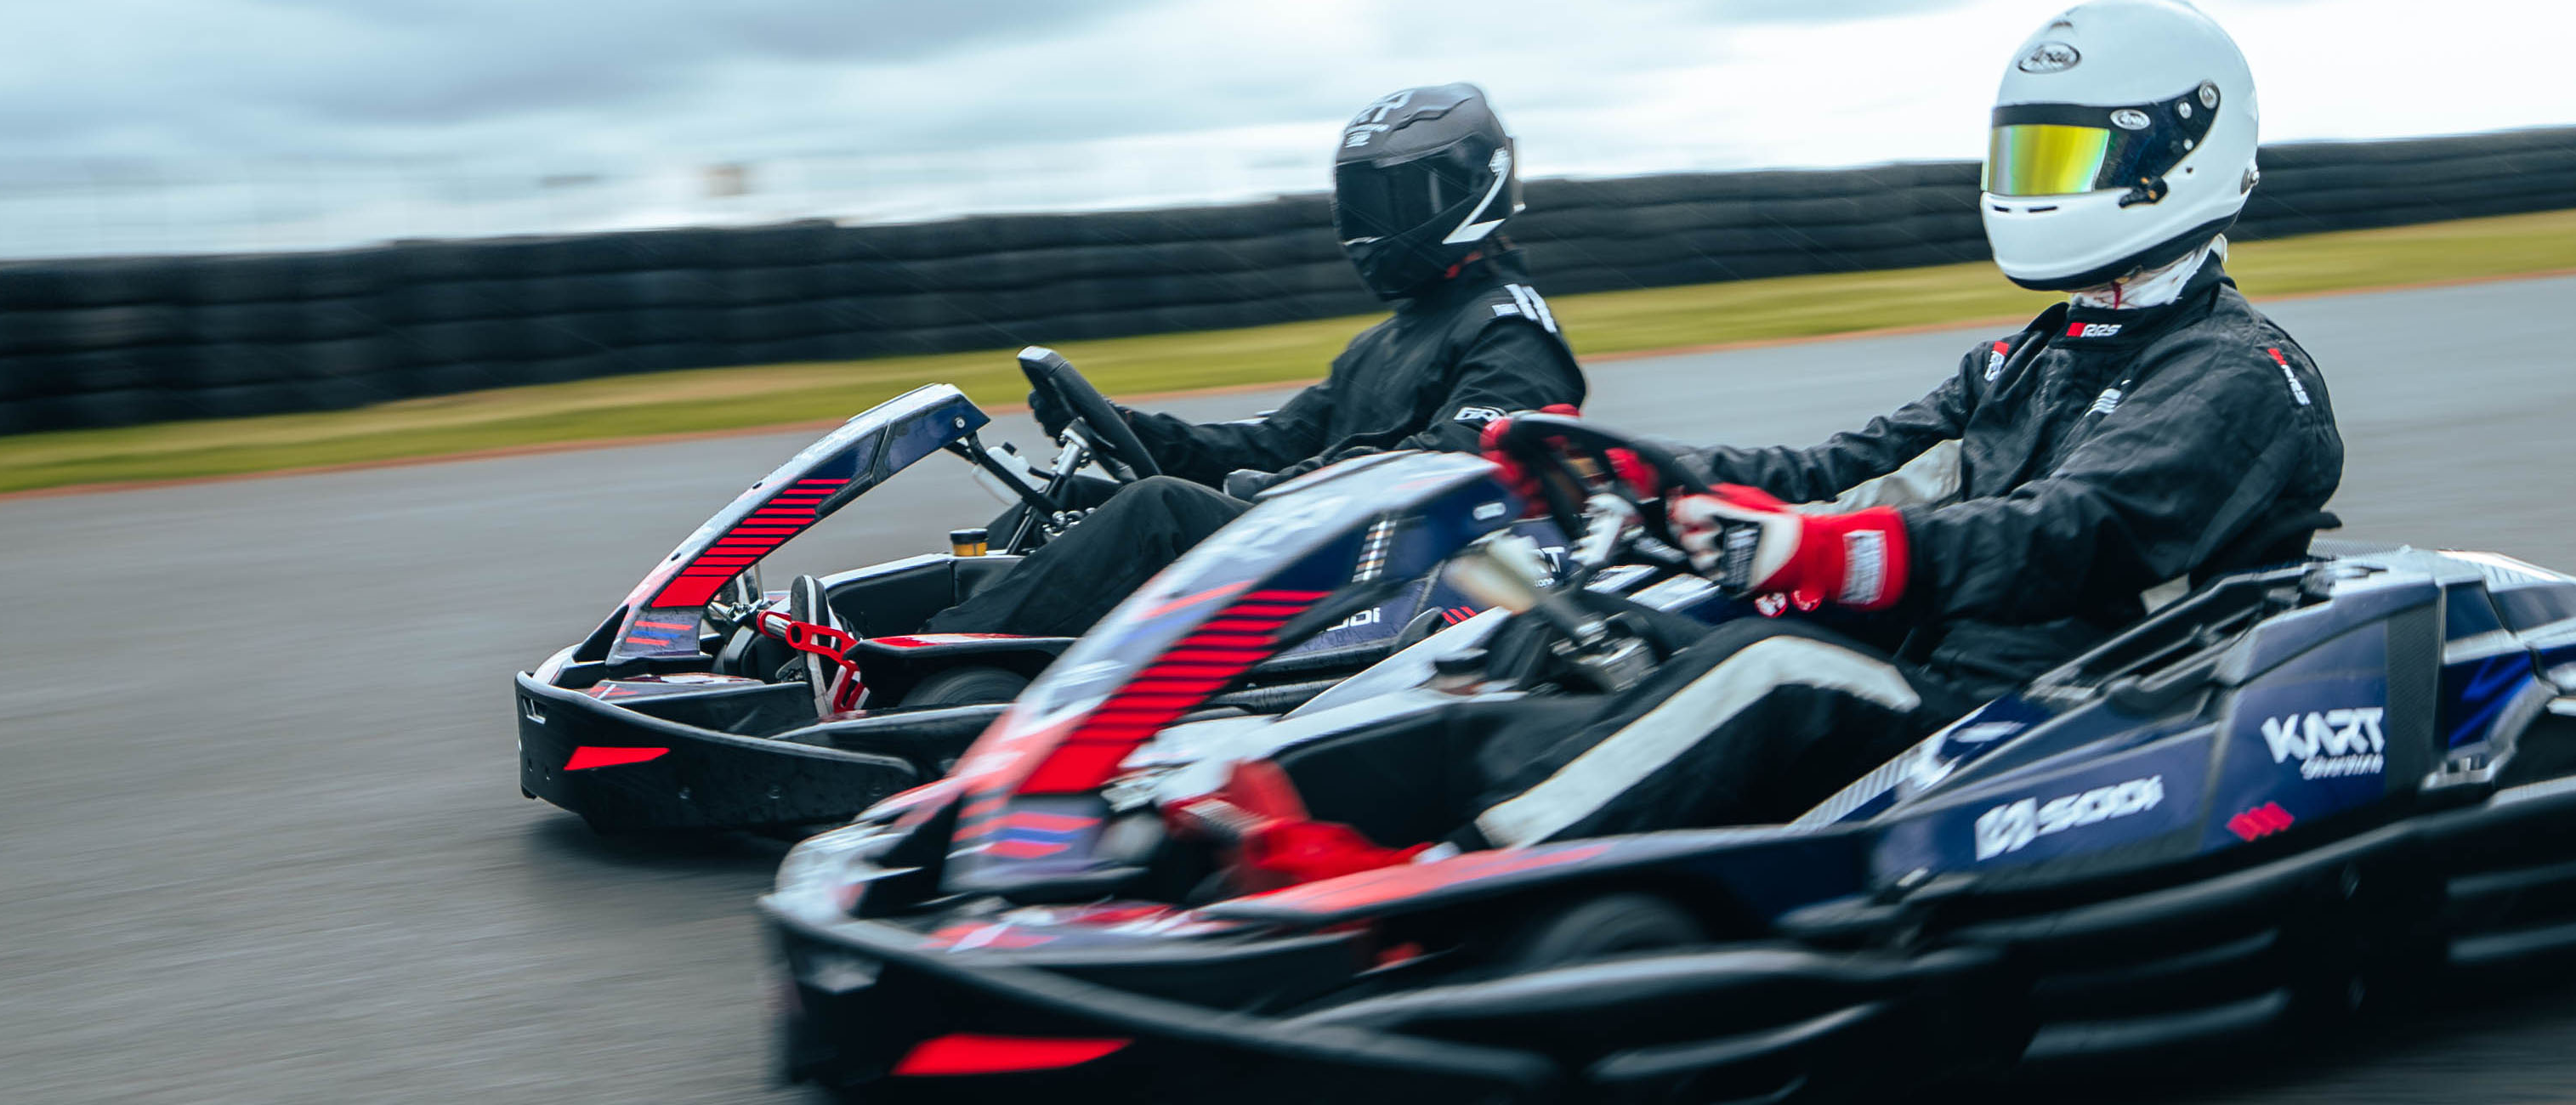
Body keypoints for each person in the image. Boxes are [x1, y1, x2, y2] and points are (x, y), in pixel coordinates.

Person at [1202, 0, 2346, 875]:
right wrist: (1651, 472)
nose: (2032, 188)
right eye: (2026, 158)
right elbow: (1839, 468)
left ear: (2172, 156)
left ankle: (1434, 884)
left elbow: (2073, 533)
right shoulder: (2035, 355)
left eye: (2063, 159)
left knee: (1774, 664)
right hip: (1928, 664)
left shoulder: (2237, 374)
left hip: (2060, 712)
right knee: (1585, 626)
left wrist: (1828, 553)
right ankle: (1288, 809)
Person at [928, 83, 1586, 639]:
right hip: (1312, 532)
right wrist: (1133, 428)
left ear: (1467, 189)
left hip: (1385, 569)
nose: (1366, 227)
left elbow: (1453, 462)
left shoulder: (1510, 326)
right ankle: (937, 639)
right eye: (1358, 206)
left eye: (1388, 205)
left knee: (1157, 510)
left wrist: (1287, 488)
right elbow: (1273, 442)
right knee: (1065, 499)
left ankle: (948, 660)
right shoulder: (1392, 337)